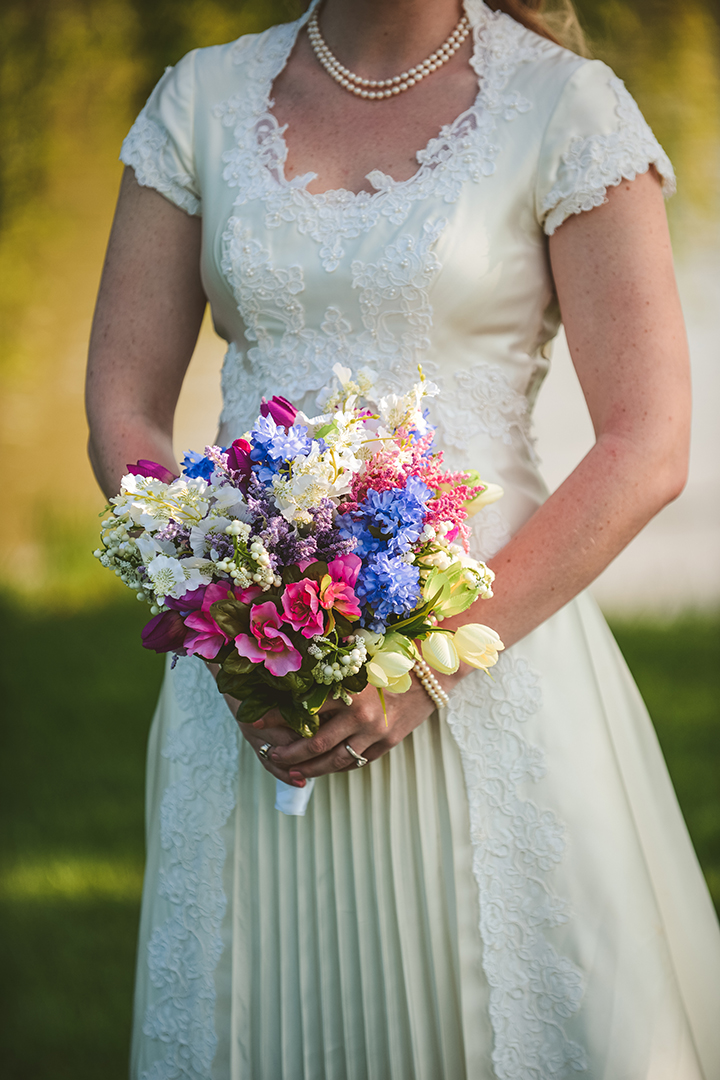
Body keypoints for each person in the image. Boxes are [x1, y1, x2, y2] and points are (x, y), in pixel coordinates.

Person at [86, 0, 720, 1076]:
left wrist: (428, 661)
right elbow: (123, 411)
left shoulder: (568, 110)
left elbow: (648, 443)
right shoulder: (198, 101)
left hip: (495, 661)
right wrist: (219, 614)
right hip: (247, 688)